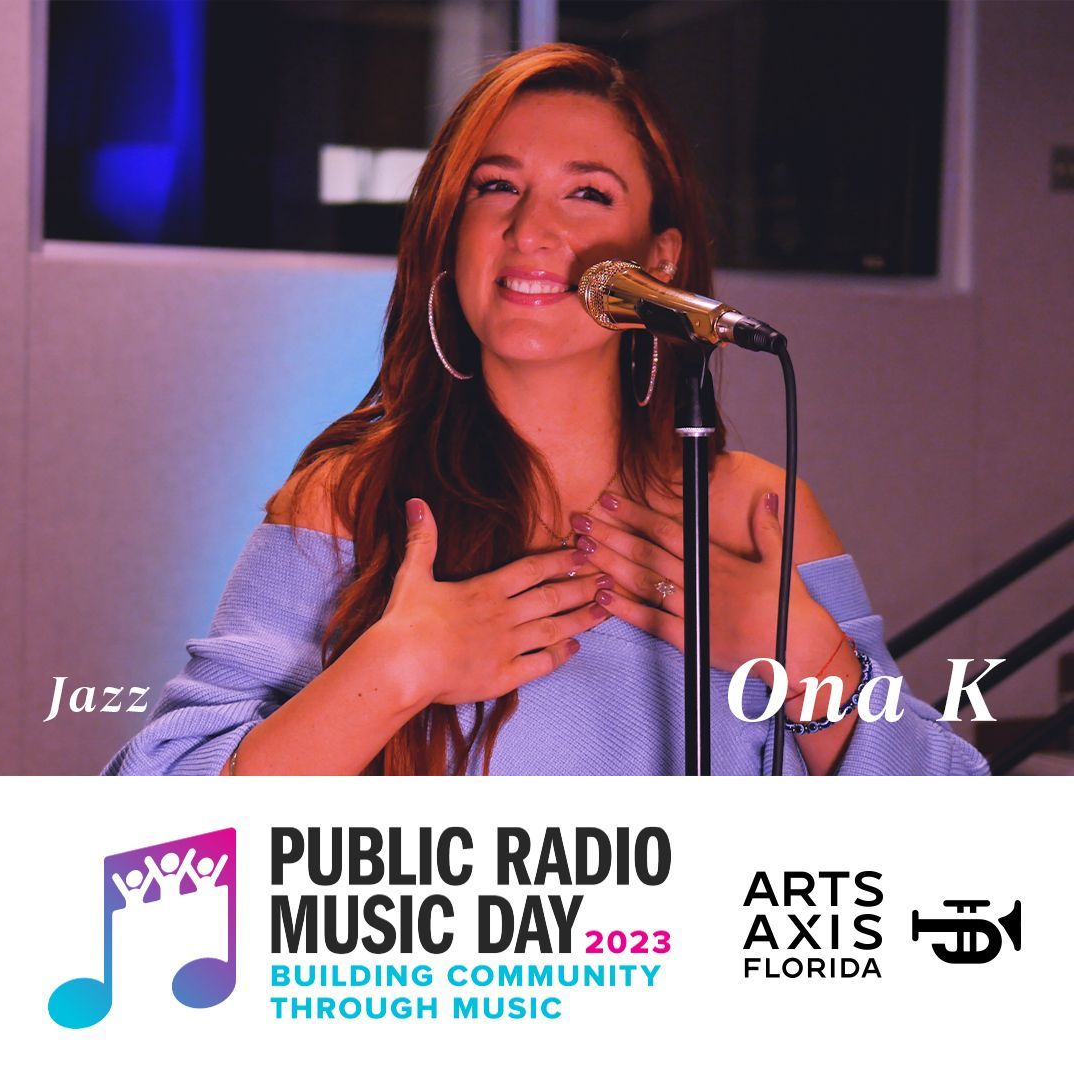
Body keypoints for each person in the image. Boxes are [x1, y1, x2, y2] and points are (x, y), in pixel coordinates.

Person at [103, 44, 987, 778]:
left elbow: (951, 843)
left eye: (588, 193)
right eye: (495, 187)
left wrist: (808, 661)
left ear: (660, 260)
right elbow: (147, 830)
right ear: (450, 232)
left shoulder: (755, 514)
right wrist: (394, 671)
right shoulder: (351, 502)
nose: (530, 230)